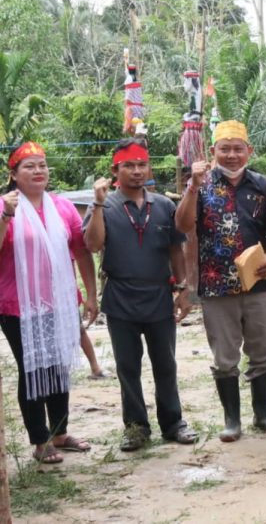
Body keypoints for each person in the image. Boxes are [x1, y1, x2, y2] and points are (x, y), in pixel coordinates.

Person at [83, 138, 198, 451]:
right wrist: (95, 204)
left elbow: (177, 248)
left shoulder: (163, 205)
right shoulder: (103, 205)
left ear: (148, 166)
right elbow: (93, 245)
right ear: (115, 170)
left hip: (159, 295)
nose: (136, 171)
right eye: (128, 166)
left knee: (166, 364)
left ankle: (173, 423)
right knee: (128, 366)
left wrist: (183, 288)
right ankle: (135, 427)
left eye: (141, 164)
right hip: (120, 297)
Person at [176, 120, 266, 442]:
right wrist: (192, 187)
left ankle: (264, 415)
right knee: (225, 354)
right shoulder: (200, 184)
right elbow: (184, 225)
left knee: (264, 350)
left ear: (249, 151)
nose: (232, 155)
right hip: (216, 284)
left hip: (258, 282)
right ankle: (231, 420)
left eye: (238, 148)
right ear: (213, 152)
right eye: (224, 149)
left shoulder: (263, 185)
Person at [0, 142, 97, 463]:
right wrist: (5, 216)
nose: (38, 171)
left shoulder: (63, 207)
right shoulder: (4, 206)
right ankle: (40, 441)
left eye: (42, 165)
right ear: (13, 174)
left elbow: (82, 251)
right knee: (32, 368)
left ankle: (60, 432)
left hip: (60, 302)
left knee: (58, 366)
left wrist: (92, 295)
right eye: (29, 166)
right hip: (17, 305)